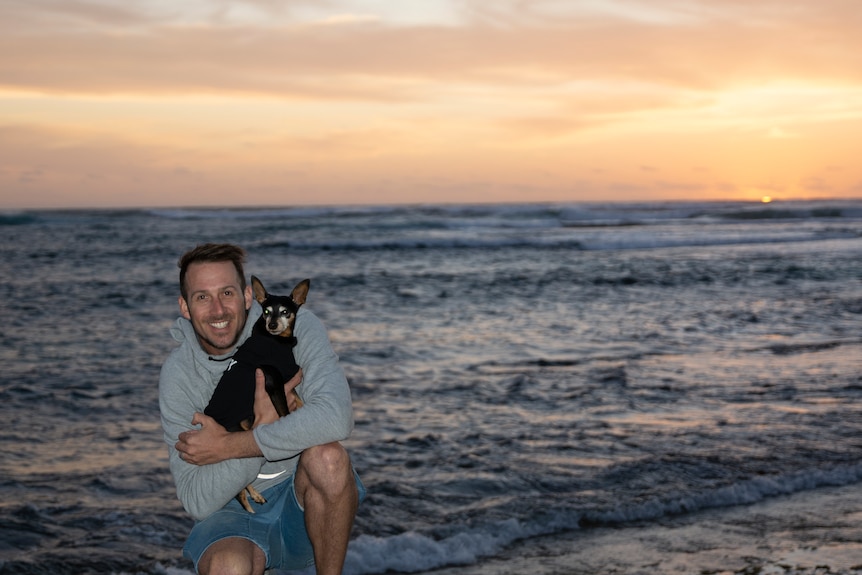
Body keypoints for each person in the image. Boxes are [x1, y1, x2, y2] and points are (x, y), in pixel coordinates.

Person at [159, 243, 364, 575]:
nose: (218, 310)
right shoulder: (179, 376)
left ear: (247, 297)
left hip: (304, 496)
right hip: (233, 512)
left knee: (328, 458)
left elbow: (337, 416)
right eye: (201, 297)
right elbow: (196, 499)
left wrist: (232, 443)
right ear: (184, 307)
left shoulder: (294, 326)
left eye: (227, 293)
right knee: (229, 567)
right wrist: (262, 429)